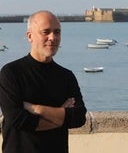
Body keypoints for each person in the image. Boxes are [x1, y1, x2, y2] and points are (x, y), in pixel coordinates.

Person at [0, 10, 87, 153]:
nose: (52, 37)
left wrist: (37, 109)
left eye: (57, 32)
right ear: (30, 36)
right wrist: (62, 114)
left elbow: (78, 117)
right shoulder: (11, 73)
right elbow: (17, 119)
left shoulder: (66, 76)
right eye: (45, 32)